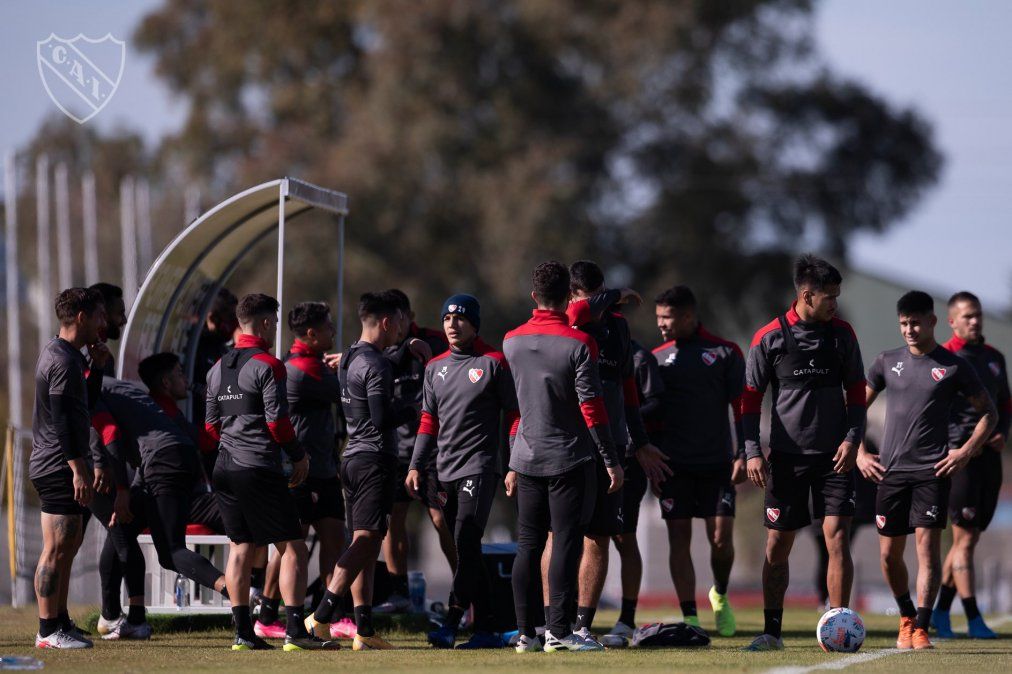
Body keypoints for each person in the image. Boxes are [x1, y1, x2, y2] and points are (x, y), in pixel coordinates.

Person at [858, 291, 997, 651]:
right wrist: (859, 452)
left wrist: (966, 451)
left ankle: (921, 626)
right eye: (904, 323)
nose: (909, 329)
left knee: (927, 549)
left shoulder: (953, 366)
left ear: (933, 322)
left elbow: (989, 413)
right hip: (890, 472)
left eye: (916, 322)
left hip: (932, 472)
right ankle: (906, 615)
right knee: (889, 556)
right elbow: (853, 407)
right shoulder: (886, 361)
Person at [741, 255, 867, 651]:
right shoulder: (769, 337)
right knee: (778, 544)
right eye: (829, 297)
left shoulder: (843, 335)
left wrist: (852, 439)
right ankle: (771, 632)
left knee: (836, 535)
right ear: (806, 295)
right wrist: (751, 451)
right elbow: (748, 401)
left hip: (835, 458)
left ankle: (840, 626)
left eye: (837, 296)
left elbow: (857, 395)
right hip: (785, 458)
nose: (835, 303)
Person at [505, 261, 623, 653]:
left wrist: (510, 458)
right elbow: (592, 406)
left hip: (525, 456)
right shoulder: (580, 343)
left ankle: (527, 634)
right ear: (567, 297)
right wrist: (610, 458)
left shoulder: (511, 341)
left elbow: (517, 407)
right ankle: (559, 632)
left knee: (528, 545)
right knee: (568, 542)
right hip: (569, 458)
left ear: (534, 296)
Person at [206, 293, 333, 651]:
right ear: (264, 323)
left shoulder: (216, 368)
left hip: (224, 467)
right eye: (274, 322)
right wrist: (298, 456)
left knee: (241, 548)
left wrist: (234, 441)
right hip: (257, 466)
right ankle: (295, 630)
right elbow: (278, 422)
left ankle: (243, 634)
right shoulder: (269, 365)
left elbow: (211, 426)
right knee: (293, 547)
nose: (276, 328)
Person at [564, 261, 670, 646]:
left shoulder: (619, 329)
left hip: (616, 450)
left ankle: (604, 622)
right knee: (560, 535)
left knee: (612, 537)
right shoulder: (569, 322)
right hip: (571, 448)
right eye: (588, 297)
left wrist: (638, 442)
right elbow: (577, 311)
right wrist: (614, 295)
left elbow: (628, 392)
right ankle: (553, 621)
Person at [305, 291, 415, 650]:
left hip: (351, 457)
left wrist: (410, 348)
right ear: (386, 322)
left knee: (364, 544)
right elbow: (383, 417)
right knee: (368, 540)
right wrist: (417, 408)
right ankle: (321, 616)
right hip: (374, 460)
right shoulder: (377, 364)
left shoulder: (351, 354)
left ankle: (364, 631)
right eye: (399, 322)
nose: (401, 328)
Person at [408, 294, 518, 649]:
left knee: (468, 540)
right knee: (467, 550)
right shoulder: (434, 367)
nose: (453, 324)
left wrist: (513, 463)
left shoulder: (494, 362)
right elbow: (428, 421)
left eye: (460, 318)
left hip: (480, 468)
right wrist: (416, 465)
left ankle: (452, 623)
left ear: (474, 324)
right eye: (447, 319)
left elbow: (515, 415)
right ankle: (486, 629)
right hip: (444, 471)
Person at [254, 302, 354, 641]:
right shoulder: (300, 369)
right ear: (311, 334)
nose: (333, 333)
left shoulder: (313, 364)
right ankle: (267, 613)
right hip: (298, 472)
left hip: (325, 471)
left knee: (334, 539)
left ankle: (330, 612)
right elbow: (347, 392)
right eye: (328, 327)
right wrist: (353, 362)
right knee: (289, 547)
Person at [652, 285, 746, 637]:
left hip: (717, 463)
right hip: (673, 464)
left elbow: (741, 407)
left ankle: (719, 595)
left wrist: (744, 452)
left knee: (721, 540)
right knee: (679, 537)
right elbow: (647, 412)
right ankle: (690, 616)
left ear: (688, 317)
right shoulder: (656, 357)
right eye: (658, 317)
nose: (661, 324)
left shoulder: (725, 352)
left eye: (667, 318)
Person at [29, 288, 107, 649]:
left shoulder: (72, 357)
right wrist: (77, 468)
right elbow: (61, 420)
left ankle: (60, 621)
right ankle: (47, 631)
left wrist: (99, 369)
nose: (103, 323)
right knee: (56, 547)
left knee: (69, 544)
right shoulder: (60, 359)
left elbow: (83, 408)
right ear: (81, 317)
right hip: (57, 465)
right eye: (99, 316)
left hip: (66, 463)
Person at [933, 292, 1010, 639]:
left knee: (970, 540)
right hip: (958, 460)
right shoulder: (944, 358)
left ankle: (940, 611)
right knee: (963, 540)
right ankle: (974, 616)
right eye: (967, 316)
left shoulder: (995, 358)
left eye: (977, 315)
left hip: (990, 461)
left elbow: (1004, 404)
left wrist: (1002, 433)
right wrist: (955, 447)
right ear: (952, 321)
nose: (974, 321)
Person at [380, 289, 456, 613]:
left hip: (431, 451)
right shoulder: (380, 351)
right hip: (396, 453)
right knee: (394, 521)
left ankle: (464, 593)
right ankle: (398, 594)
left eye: (403, 319)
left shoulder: (435, 341)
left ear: (410, 317)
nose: (398, 326)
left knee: (441, 520)